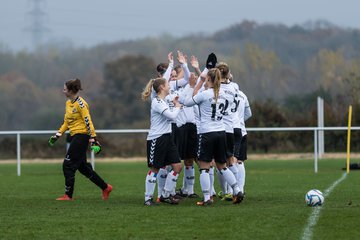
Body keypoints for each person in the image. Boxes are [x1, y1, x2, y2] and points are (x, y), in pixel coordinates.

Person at [183, 68, 244, 206]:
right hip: (221, 131)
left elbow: (187, 102)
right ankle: (237, 189)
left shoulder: (204, 94)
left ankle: (206, 198)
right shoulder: (224, 93)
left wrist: (195, 85)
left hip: (207, 133)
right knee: (222, 166)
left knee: (204, 167)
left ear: (208, 79)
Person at [48, 78, 112, 201]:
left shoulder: (82, 104)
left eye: (65, 89)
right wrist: (58, 134)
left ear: (71, 90)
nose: (63, 91)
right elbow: (67, 122)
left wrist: (93, 138)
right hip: (74, 136)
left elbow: (88, 122)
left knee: (68, 165)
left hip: (82, 136)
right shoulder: (68, 103)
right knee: (83, 168)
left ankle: (68, 195)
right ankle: (105, 187)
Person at [141, 77, 183, 206]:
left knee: (177, 166)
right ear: (162, 88)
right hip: (156, 138)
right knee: (155, 169)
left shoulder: (164, 101)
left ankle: (165, 194)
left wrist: (175, 104)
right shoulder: (157, 102)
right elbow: (171, 116)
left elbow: (173, 118)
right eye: (167, 85)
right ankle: (148, 199)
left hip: (167, 137)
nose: (170, 87)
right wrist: (177, 107)